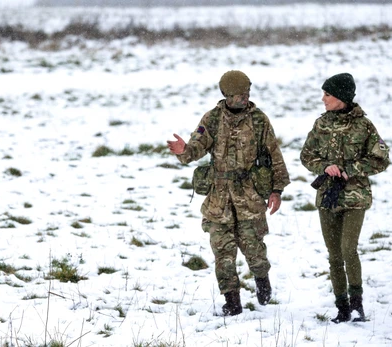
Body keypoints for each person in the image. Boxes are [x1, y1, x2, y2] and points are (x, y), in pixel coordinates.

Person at [167, 70, 290, 316]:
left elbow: (274, 155)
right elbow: (195, 150)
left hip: (249, 196)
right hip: (218, 200)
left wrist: (277, 190)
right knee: (222, 252)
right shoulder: (212, 119)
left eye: (246, 94)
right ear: (225, 95)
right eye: (237, 95)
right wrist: (184, 150)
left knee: (253, 248)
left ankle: (261, 277)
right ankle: (232, 301)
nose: (243, 99)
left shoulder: (258, 120)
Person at [300, 73, 390, 323]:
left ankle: (357, 304)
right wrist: (325, 166)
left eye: (327, 94)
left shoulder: (364, 126)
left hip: (354, 198)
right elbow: (306, 155)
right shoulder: (321, 124)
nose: (323, 99)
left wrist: (352, 170)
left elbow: (381, 158)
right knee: (334, 255)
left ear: (341, 96)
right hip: (327, 197)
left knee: (348, 249)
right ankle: (341, 307)